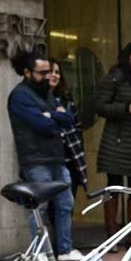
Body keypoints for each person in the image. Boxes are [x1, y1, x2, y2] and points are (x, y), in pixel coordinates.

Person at [7, 49, 81, 261]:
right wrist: (52, 117)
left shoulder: (46, 94)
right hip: (36, 159)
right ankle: (39, 252)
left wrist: (53, 115)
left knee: (65, 203)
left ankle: (64, 249)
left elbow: (68, 118)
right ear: (27, 73)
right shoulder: (20, 95)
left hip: (56, 158)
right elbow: (43, 124)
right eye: (42, 73)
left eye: (49, 71)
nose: (48, 76)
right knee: (40, 207)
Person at [94, 41, 131, 246]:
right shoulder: (114, 78)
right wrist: (126, 107)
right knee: (114, 187)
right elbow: (100, 106)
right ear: (128, 56)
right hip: (115, 141)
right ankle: (112, 235)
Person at [48, 59, 88, 199]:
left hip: (72, 156)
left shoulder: (66, 99)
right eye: (50, 72)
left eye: (57, 72)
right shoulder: (37, 99)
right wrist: (60, 115)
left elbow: (75, 123)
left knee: (68, 201)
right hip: (51, 157)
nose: (54, 75)